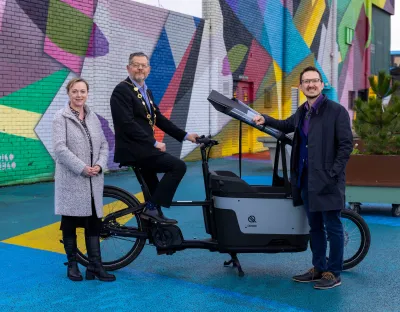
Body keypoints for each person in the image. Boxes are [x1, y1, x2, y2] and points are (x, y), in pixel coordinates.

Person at [253, 66, 353, 290]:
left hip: (328, 181)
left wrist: (332, 174)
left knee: (333, 227)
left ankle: (333, 273)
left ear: (321, 84)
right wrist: (265, 119)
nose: (311, 85)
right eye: (306, 81)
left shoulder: (337, 111)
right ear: (301, 86)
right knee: (315, 227)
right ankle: (318, 267)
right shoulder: (302, 112)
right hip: (306, 180)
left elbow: (346, 146)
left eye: (315, 81)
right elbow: (286, 125)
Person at [110, 52, 199, 224]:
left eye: (143, 65)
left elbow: (158, 118)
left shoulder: (146, 91)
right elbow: (127, 123)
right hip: (134, 149)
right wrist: (153, 142)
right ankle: (151, 209)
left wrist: (187, 136)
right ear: (128, 68)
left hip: (144, 148)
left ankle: (154, 220)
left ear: (149, 69)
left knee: (153, 188)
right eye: (136, 65)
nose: (140, 68)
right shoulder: (122, 90)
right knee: (177, 166)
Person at [53, 78, 115, 282]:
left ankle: (95, 266)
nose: (79, 95)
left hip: (93, 180)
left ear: (87, 93)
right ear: (68, 93)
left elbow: (104, 144)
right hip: (72, 180)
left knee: (93, 224)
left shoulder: (93, 117)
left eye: (82, 91)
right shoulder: (60, 118)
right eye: (75, 91)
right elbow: (60, 149)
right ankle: (72, 265)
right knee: (70, 224)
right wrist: (82, 168)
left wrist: (99, 164)